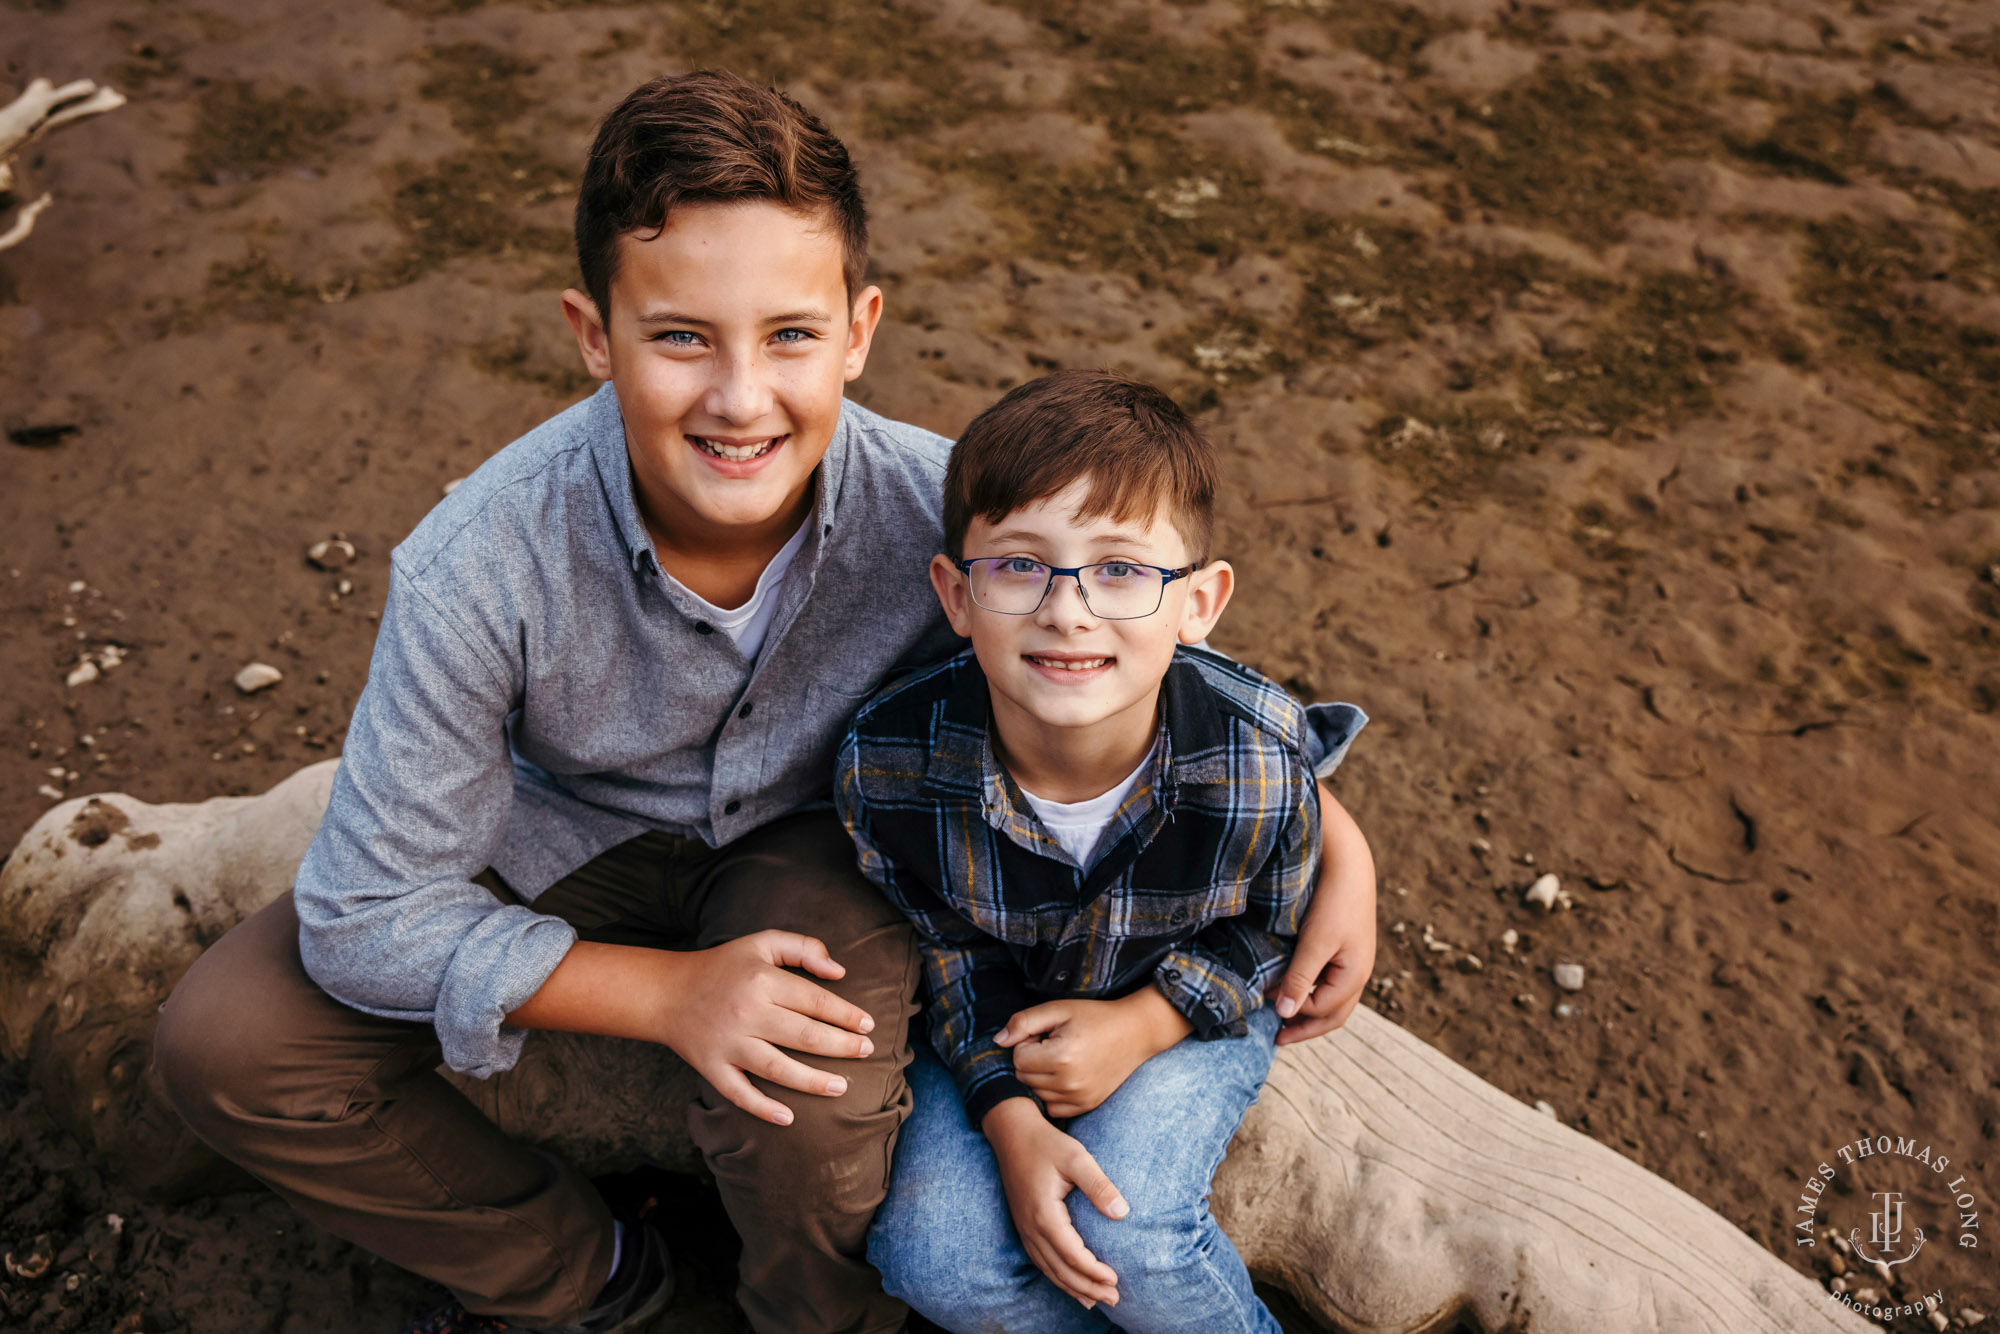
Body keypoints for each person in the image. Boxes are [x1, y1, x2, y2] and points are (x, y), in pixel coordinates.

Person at [150, 70, 1375, 1334]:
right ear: (592, 333)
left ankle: (820, 1316)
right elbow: (361, 920)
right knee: (232, 1042)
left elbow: (1151, 650)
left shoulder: (937, 511)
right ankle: (590, 1282)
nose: (740, 399)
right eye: (680, 335)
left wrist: (1332, 834)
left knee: (816, 1091)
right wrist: (663, 995)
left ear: (858, 329)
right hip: (566, 833)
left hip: (824, 839)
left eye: (790, 335)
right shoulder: (480, 561)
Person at [834, 370, 1373, 1333]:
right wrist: (1006, 1113)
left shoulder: (1255, 763)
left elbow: (1270, 929)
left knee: (1132, 1229)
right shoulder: (890, 770)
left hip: (1186, 997)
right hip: (999, 1028)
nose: (1069, 611)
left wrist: (1146, 1026)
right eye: (1020, 566)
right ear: (957, 596)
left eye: (1121, 570)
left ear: (1199, 603)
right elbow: (947, 951)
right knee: (938, 1262)